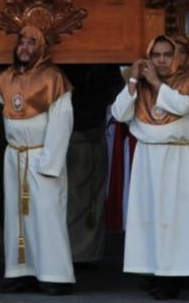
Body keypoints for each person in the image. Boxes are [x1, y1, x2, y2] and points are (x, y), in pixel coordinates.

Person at [110, 35, 189, 301]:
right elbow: (120, 114)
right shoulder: (139, 86)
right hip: (148, 160)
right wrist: (133, 80)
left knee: (183, 221)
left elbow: (181, 105)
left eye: (167, 54)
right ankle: (164, 279)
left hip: (178, 158)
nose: (162, 60)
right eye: (156, 55)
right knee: (156, 221)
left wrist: (156, 83)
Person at [0, 25, 75, 295]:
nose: (25, 48)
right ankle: (21, 271)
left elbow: (62, 120)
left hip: (42, 156)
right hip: (15, 157)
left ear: (41, 47)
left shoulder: (53, 77)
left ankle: (55, 275)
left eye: (31, 43)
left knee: (46, 215)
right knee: (17, 216)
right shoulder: (7, 77)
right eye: (21, 42)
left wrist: (50, 163)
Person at [64, 65, 122, 267]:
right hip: (72, 136)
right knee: (70, 200)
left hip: (93, 133)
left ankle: (88, 254)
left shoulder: (103, 64)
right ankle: (71, 254)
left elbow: (114, 90)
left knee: (93, 199)